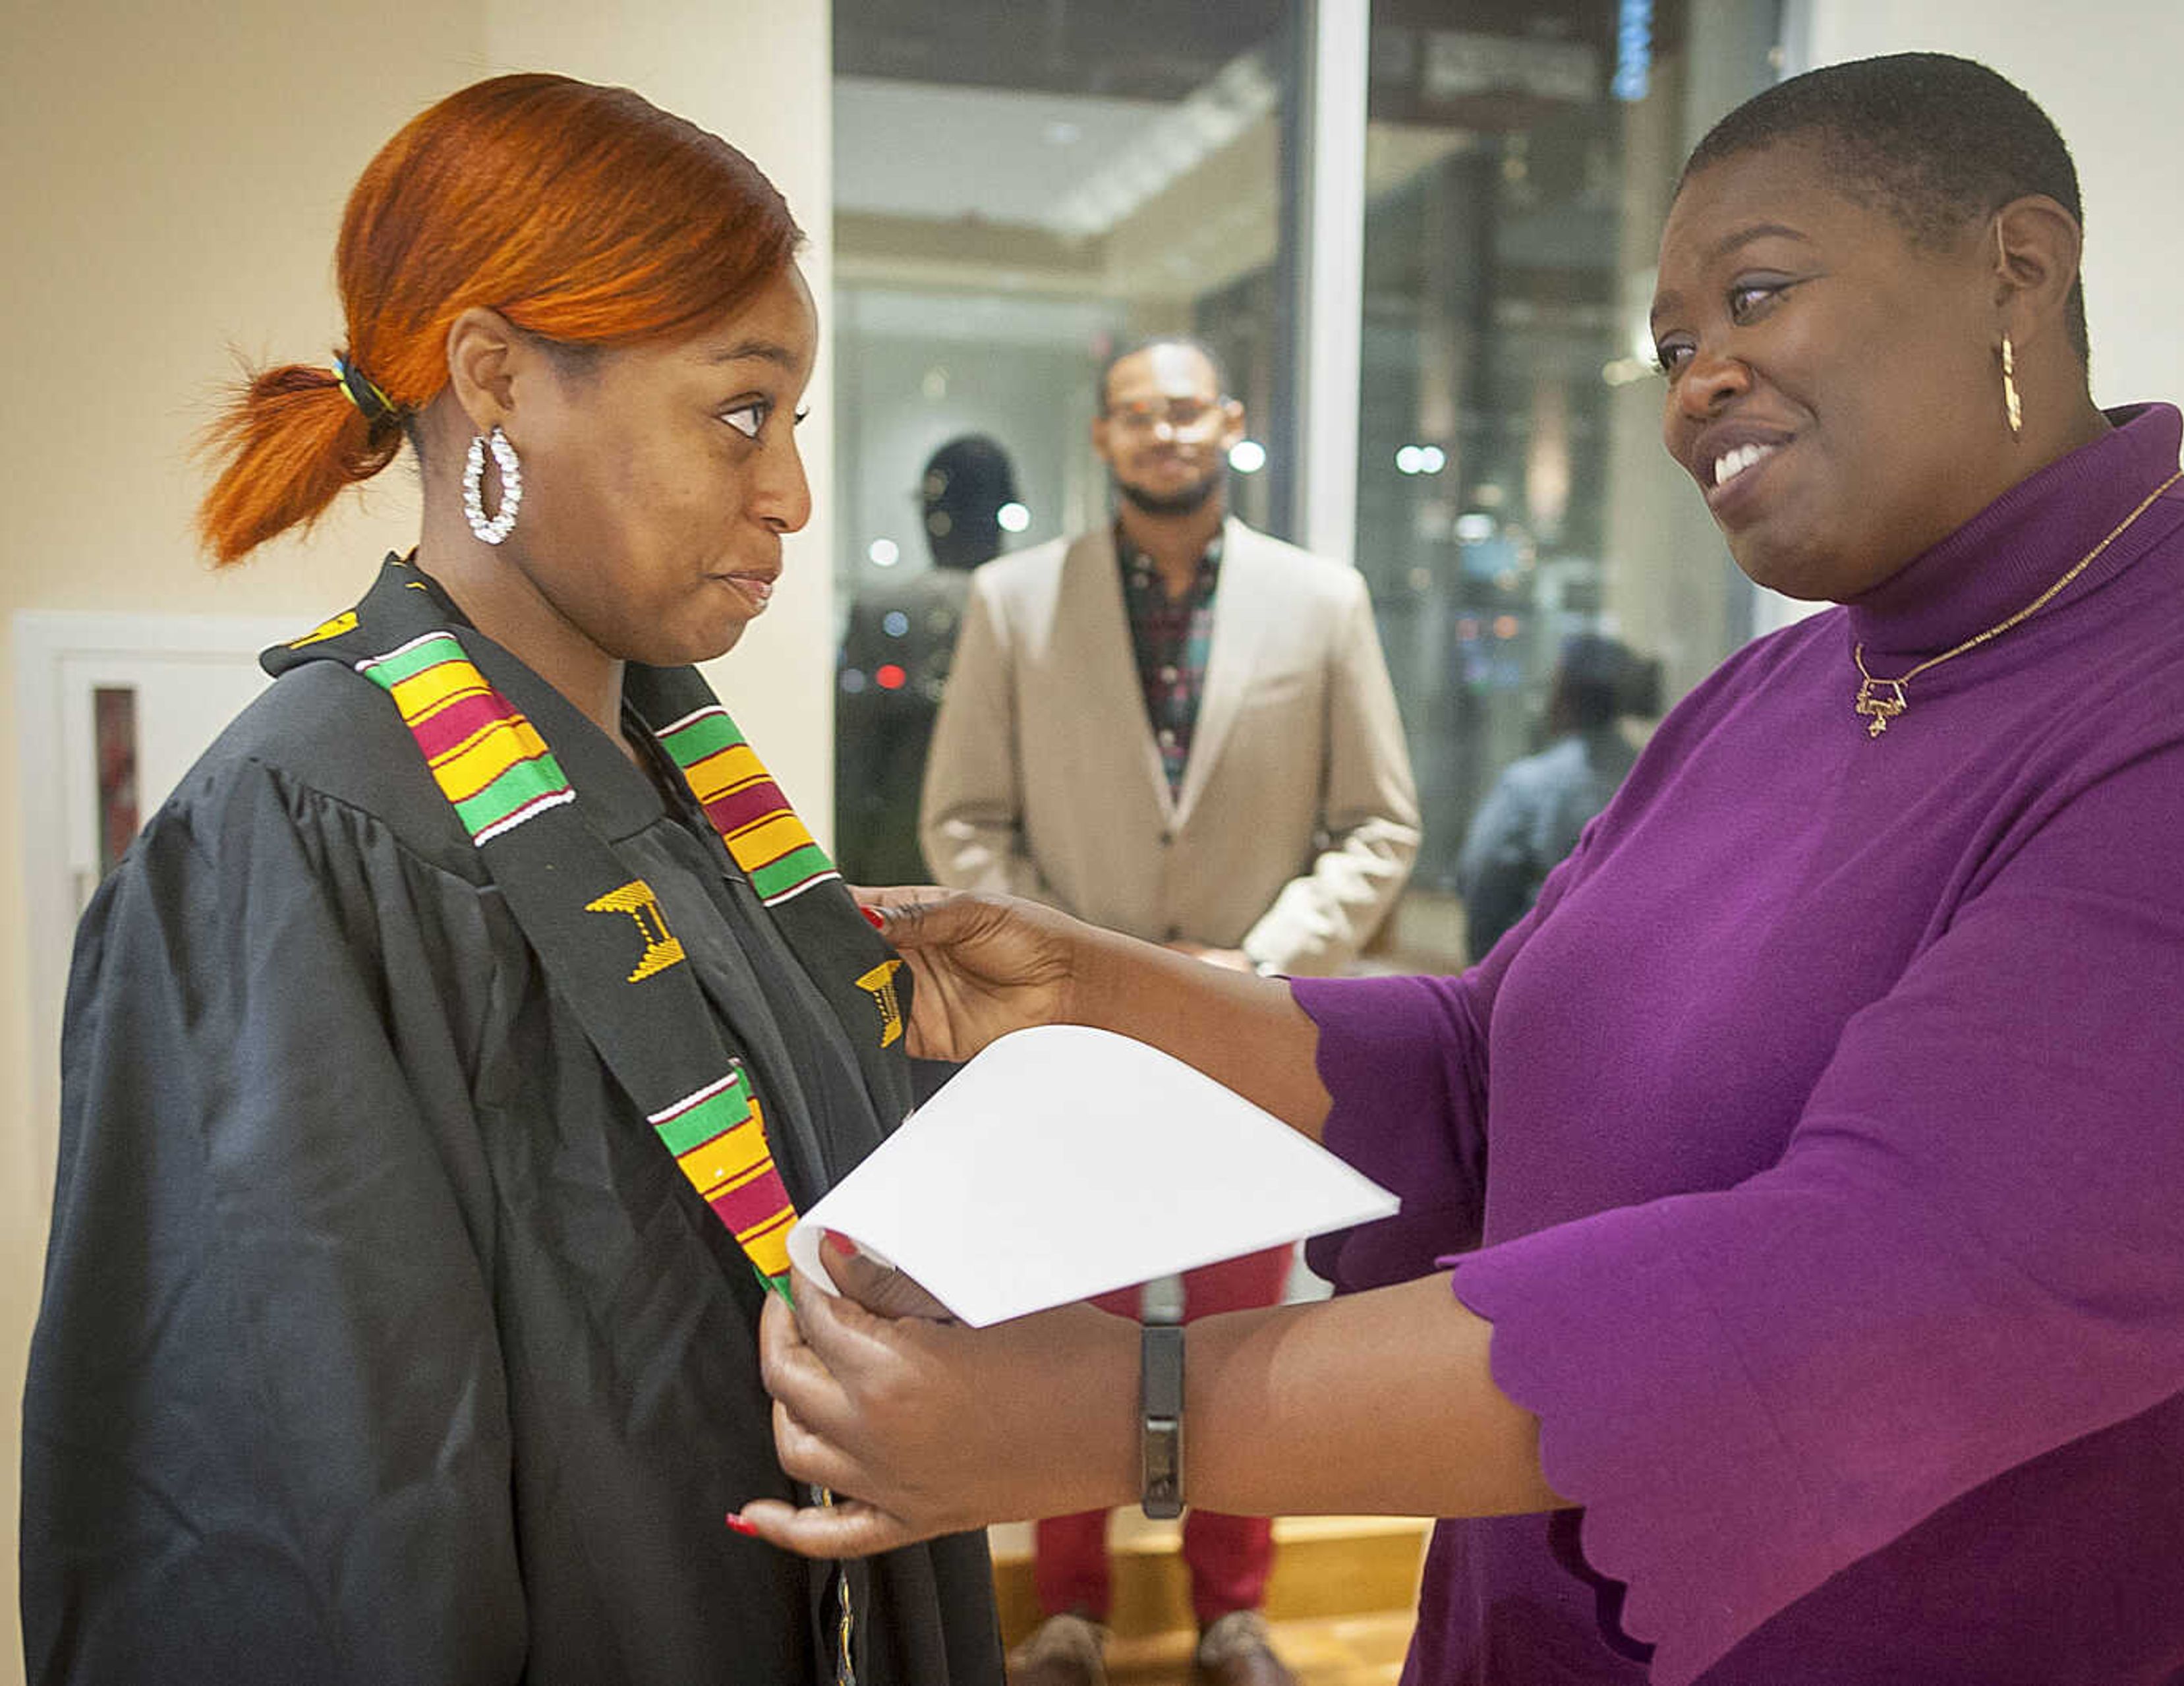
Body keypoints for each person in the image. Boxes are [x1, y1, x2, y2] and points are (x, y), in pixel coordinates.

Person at [738, 52, 2184, 1684]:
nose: (1702, 386)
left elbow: (1874, 1289)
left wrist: (1122, 1415)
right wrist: (1102, 989)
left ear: (2021, 265)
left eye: (1756, 296)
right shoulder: (1773, 691)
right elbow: (1479, 1066)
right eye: (1673, 345)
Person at [20, 74, 1000, 1686]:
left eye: (795, 424)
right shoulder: (297, 838)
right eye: (741, 410)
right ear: (496, 383)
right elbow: (297, 1519)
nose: (792, 496)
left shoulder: (685, 788)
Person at [916, 336, 1421, 1686]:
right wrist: (1067, 963)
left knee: (1241, 1342)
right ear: (1103, 436)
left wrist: (1251, 965)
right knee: (1064, 1333)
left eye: (1185, 410)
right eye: (1137, 414)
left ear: (1230, 424)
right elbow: (964, 819)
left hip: (1245, 1040)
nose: (1163, 434)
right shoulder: (1016, 603)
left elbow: (1378, 823)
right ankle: (1071, 1608)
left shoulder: (1323, 603)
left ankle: (1233, 1612)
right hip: (1065, 1049)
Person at [834, 434, 1020, 887]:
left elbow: (855, 764)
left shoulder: (885, 611)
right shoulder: (1027, 611)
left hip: (901, 857)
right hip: (1002, 866)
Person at [1456, 634, 1658, 962]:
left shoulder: (1527, 785)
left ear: (1565, 695)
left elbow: (1482, 883)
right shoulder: (1659, 775)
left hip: (1533, 974)